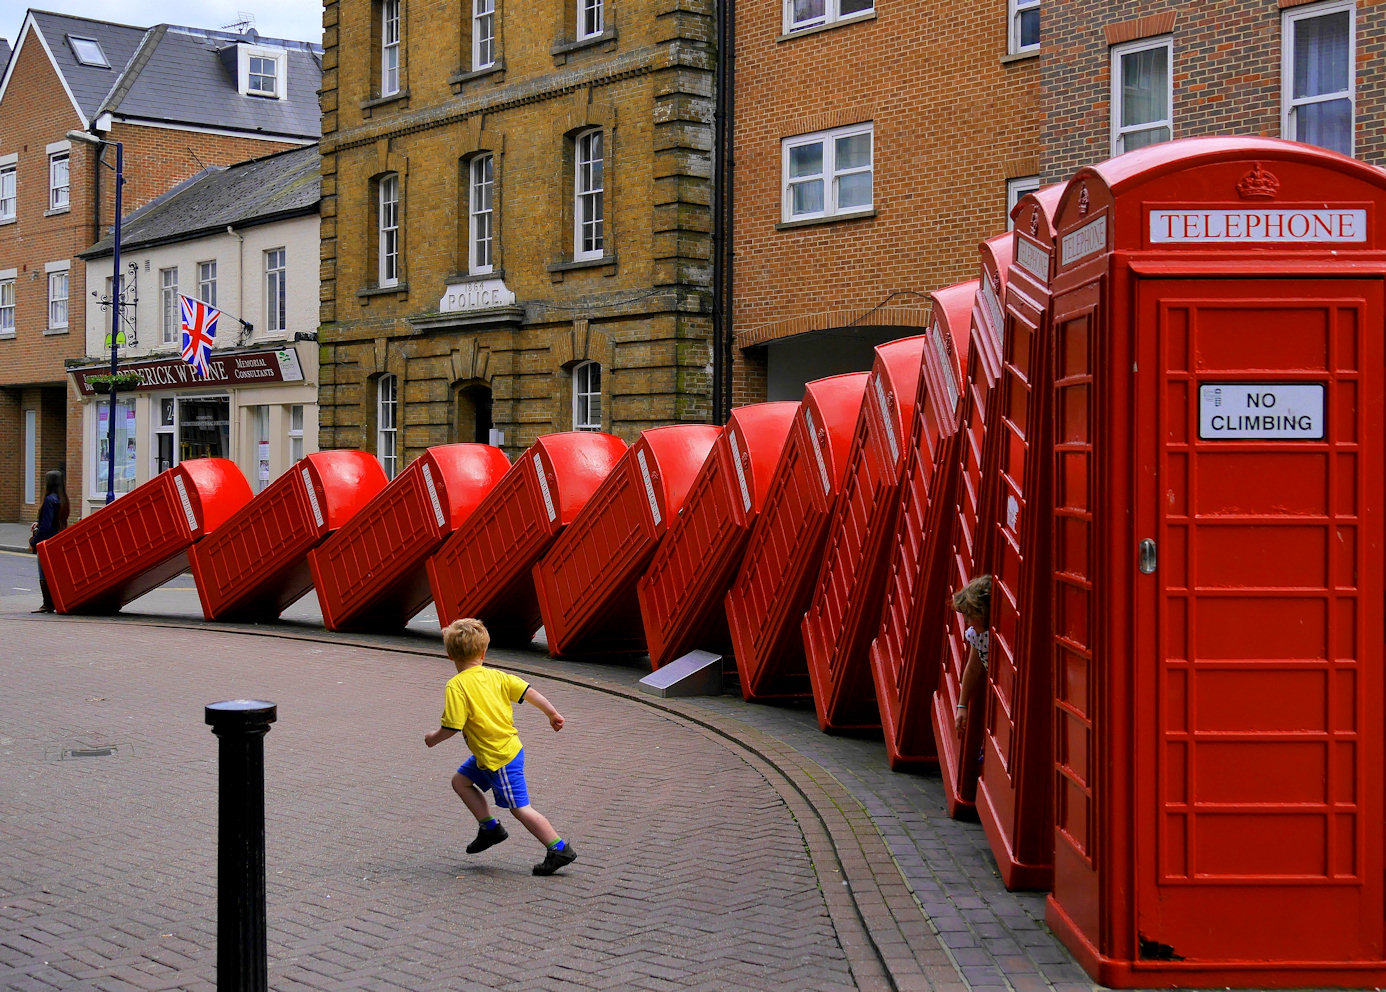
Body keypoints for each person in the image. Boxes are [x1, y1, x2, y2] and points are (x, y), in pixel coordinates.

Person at [424, 618, 577, 876]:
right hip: (496, 752)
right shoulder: (497, 677)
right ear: (484, 653)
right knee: (460, 781)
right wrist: (552, 713)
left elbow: (452, 726)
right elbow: (530, 692)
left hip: (500, 758)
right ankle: (490, 828)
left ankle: (559, 848)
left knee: (520, 808)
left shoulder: (456, 686)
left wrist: (432, 738)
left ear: (449, 657)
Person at [952, 573, 992, 742]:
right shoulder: (977, 636)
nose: (967, 621)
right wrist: (962, 705)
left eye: (970, 615)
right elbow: (973, 667)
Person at [29, 469, 68, 613]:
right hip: (59, 539)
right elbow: (55, 521)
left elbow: (46, 527)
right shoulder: (63, 499)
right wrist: (38, 522)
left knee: (43, 573)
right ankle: (54, 601)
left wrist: (33, 543)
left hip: (47, 542)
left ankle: (47, 603)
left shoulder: (49, 500)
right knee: (53, 573)